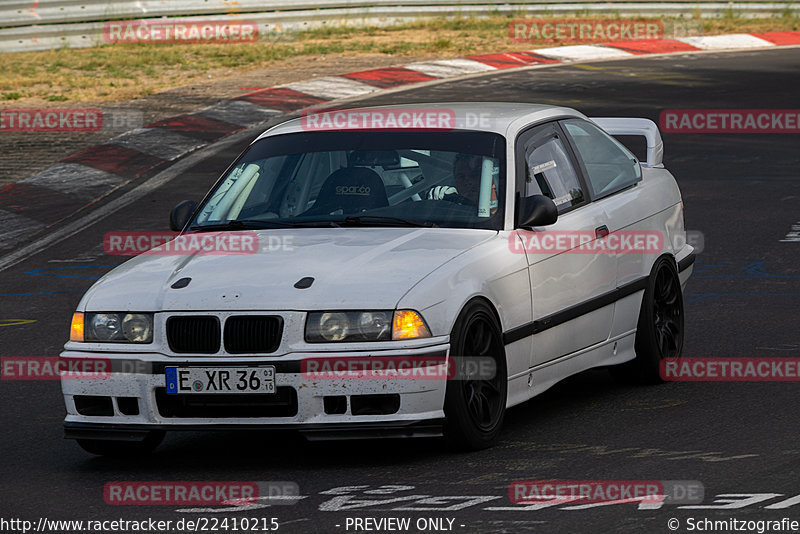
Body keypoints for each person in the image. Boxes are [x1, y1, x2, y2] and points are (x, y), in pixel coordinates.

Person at [427, 154, 496, 213]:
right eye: (461, 177)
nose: (468, 182)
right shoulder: (454, 212)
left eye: (475, 175)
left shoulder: (504, 211)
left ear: (492, 179)